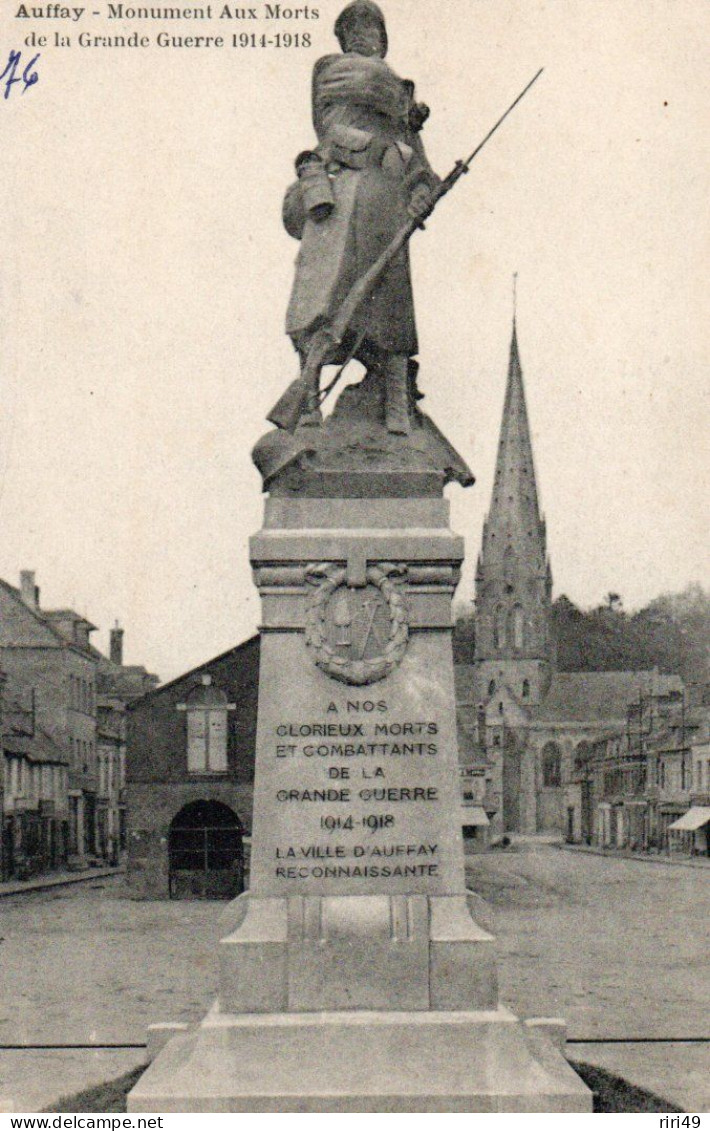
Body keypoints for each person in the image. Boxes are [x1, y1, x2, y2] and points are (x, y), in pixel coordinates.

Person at [282, 0, 438, 435]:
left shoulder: (400, 108)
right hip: (337, 192)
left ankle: (395, 401)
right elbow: (333, 122)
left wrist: (422, 191)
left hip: (385, 201)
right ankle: (308, 398)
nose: (362, 37)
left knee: (391, 305)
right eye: (354, 30)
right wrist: (388, 141)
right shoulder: (333, 72)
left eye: (370, 30)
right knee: (320, 298)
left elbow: (420, 163)